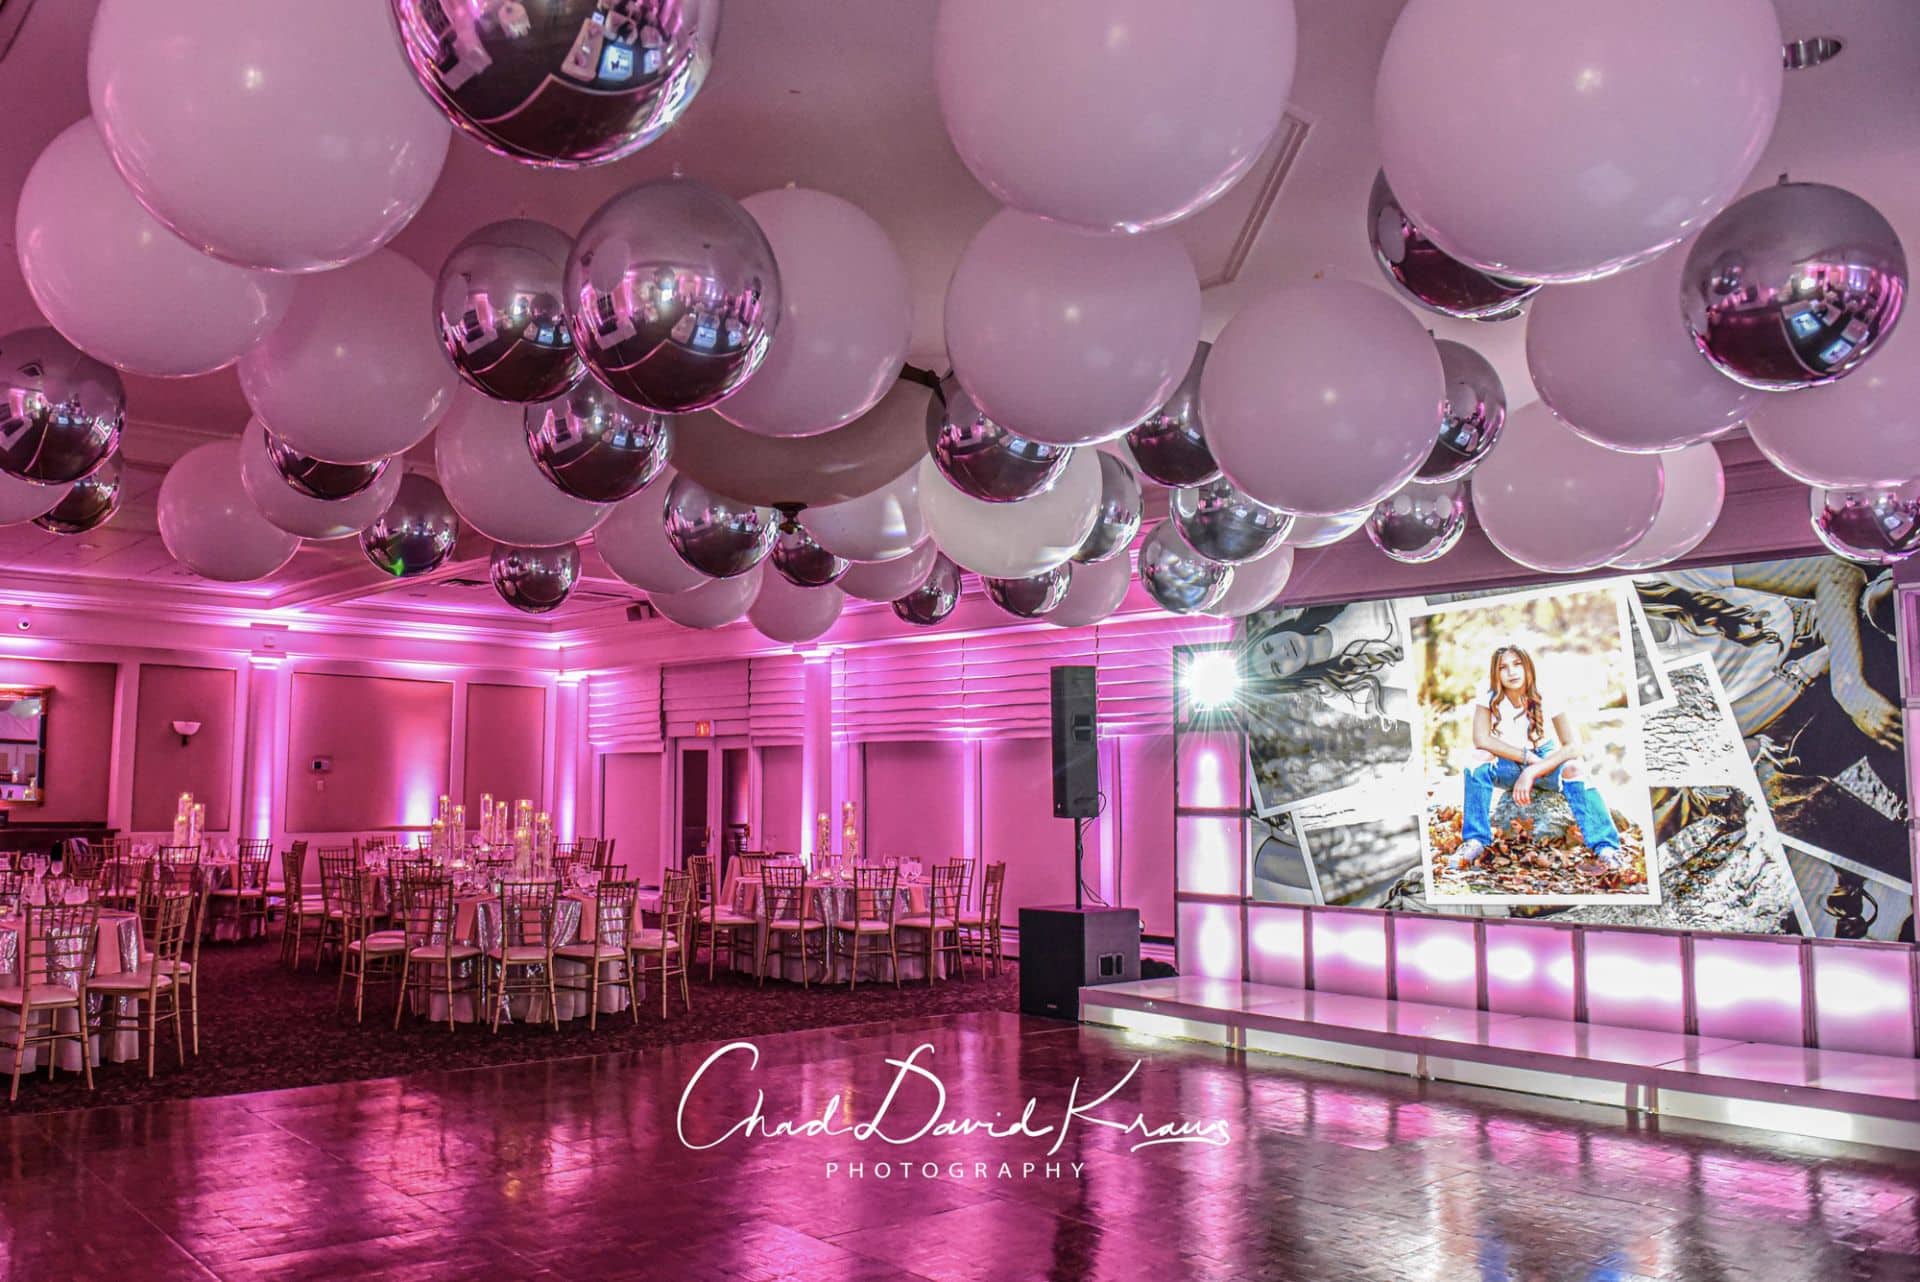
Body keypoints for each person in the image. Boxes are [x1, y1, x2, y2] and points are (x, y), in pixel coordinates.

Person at [1455, 644, 1626, 874]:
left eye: (1517, 665)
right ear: (1496, 673)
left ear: (1528, 667)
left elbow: (1573, 746)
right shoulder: (1487, 693)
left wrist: (1531, 771)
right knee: (1477, 758)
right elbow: (1481, 739)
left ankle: (1606, 847)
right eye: (1503, 667)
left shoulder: (1546, 691)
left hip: (1543, 761)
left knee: (1574, 769)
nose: (1512, 672)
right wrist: (1524, 757)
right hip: (1508, 763)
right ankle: (1475, 841)